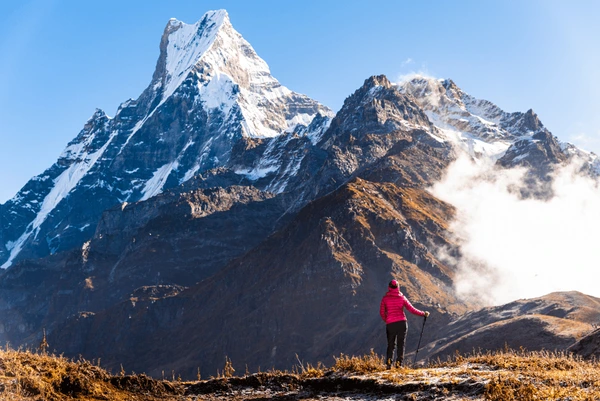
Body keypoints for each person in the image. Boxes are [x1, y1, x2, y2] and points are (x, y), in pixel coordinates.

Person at [379, 279, 430, 369]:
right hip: (402, 323)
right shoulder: (402, 298)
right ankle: (399, 365)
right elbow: (412, 309)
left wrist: (387, 320)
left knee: (391, 345)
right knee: (401, 344)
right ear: (398, 287)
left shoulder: (385, 299)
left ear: (389, 287)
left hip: (390, 324)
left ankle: (388, 364)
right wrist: (423, 313)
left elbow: (382, 312)